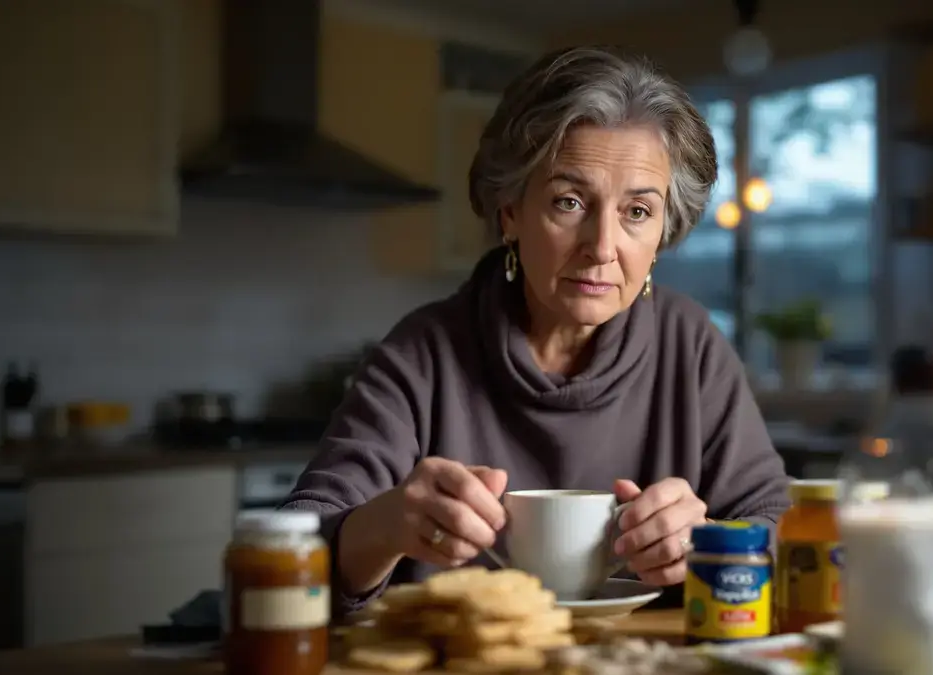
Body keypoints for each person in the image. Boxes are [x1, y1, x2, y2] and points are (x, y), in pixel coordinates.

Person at [283, 45, 790, 615]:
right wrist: (384, 525)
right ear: (510, 214)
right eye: (569, 202)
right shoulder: (423, 353)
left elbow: (781, 528)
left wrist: (714, 543)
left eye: (638, 212)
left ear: (663, 232)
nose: (602, 247)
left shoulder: (691, 345)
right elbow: (288, 550)